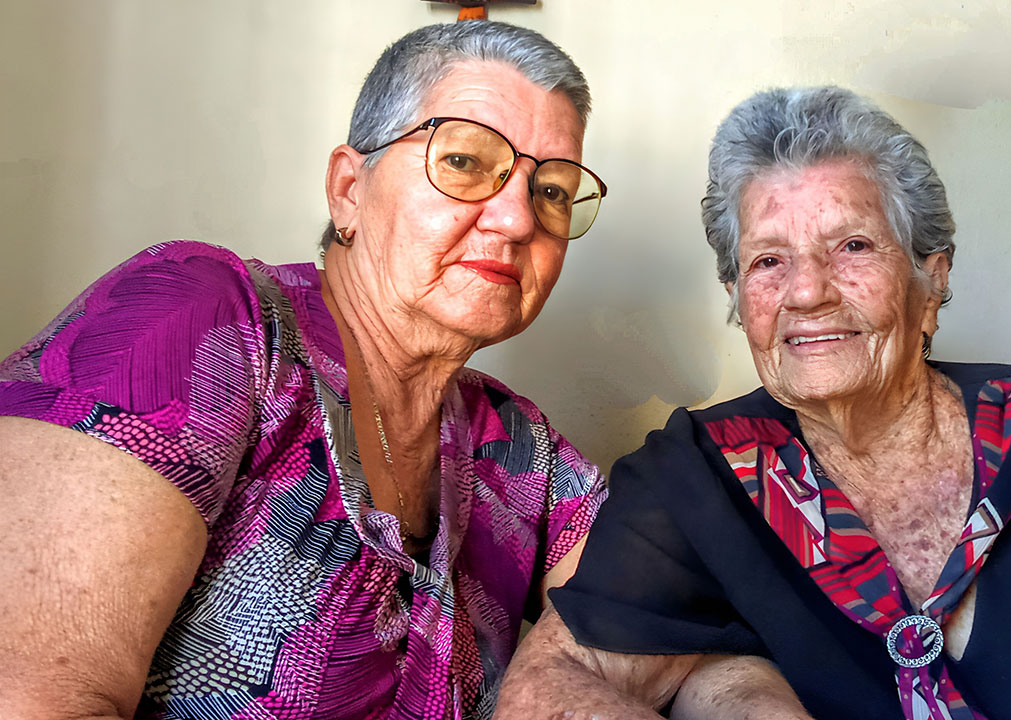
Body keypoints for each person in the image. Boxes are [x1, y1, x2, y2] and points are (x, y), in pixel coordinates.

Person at [0, 20, 609, 720]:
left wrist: (556, 676)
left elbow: (672, 598)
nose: (516, 219)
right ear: (349, 189)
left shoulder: (517, 448)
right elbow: (30, 696)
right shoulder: (206, 323)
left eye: (553, 191)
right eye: (466, 162)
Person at [494, 86, 1011, 720]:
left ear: (930, 279)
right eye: (769, 260)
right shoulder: (698, 474)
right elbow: (545, 687)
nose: (806, 292)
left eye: (853, 246)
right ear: (738, 298)